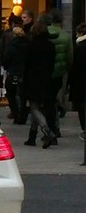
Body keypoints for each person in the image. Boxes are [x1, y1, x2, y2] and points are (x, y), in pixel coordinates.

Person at [21, 21, 57, 148]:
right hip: (46, 79)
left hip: (33, 79)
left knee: (34, 107)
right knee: (38, 107)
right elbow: (52, 63)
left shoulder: (30, 46)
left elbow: (26, 64)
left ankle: (47, 131)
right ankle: (32, 136)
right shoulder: (50, 46)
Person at [46, 8, 72, 137]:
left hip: (45, 72)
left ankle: (49, 127)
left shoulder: (45, 33)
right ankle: (55, 125)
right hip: (59, 71)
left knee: (46, 100)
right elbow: (69, 58)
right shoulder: (66, 36)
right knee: (55, 99)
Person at [2, 26, 28, 124]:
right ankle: (23, 114)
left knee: (11, 94)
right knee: (23, 96)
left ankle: (16, 113)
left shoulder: (12, 47)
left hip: (13, 72)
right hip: (25, 73)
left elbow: (6, 60)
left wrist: (6, 67)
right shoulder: (28, 44)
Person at [67, 22, 86, 139]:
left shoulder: (79, 48)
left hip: (81, 81)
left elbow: (74, 67)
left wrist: (69, 83)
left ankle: (84, 129)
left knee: (82, 106)